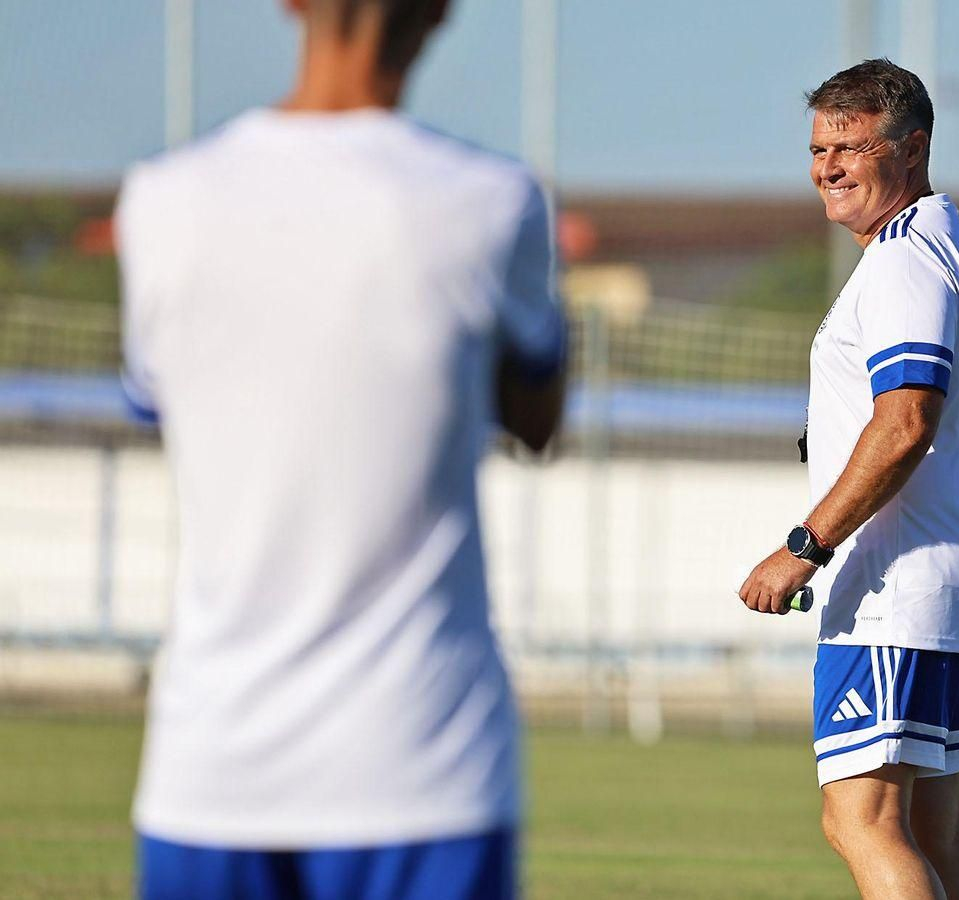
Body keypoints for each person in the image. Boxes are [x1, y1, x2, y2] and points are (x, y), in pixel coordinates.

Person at [117, 1, 565, 897]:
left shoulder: (163, 200)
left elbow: (160, 408)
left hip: (213, 770)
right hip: (426, 766)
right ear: (439, 14)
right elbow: (537, 421)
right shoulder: (491, 200)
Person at [737, 59, 959, 900]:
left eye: (851, 147)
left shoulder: (905, 258)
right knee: (934, 832)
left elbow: (905, 421)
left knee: (859, 822)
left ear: (913, 150)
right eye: (819, 147)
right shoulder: (956, 244)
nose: (828, 166)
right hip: (957, 580)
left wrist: (805, 546)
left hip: (898, 590)